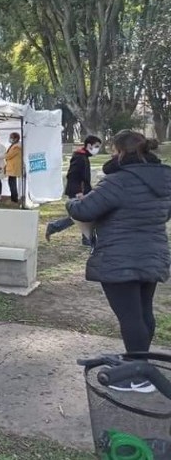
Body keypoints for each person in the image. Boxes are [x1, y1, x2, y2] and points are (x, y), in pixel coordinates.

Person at [67, 130, 171, 393]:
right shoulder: (166, 179)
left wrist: (73, 202)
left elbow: (84, 210)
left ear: (121, 152)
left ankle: (139, 376)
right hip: (153, 253)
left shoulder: (118, 181)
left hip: (120, 256)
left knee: (130, 317)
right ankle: (140, 366)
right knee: (143, 312)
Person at [46, 135, 102, 241]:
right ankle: (54, 227)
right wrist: (78, 192)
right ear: (89, 145)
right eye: (96, 146)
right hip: (79, 191)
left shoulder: (84, 157)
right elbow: (72, 175)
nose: (97, 149)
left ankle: (86, 238)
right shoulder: (79, 157)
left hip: (84, 190)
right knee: (78, 216)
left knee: (81, 215)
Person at [4, 132, 23, 204]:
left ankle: (14, 199)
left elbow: (8, 156)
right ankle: (13, 198)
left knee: (12, 184)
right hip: (12, 166)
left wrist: (3, 155)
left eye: (11, 137)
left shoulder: (17, 147)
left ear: (16, 138)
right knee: (11, 183)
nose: (10, 139)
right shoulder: (14, 145)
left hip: (14, 167)